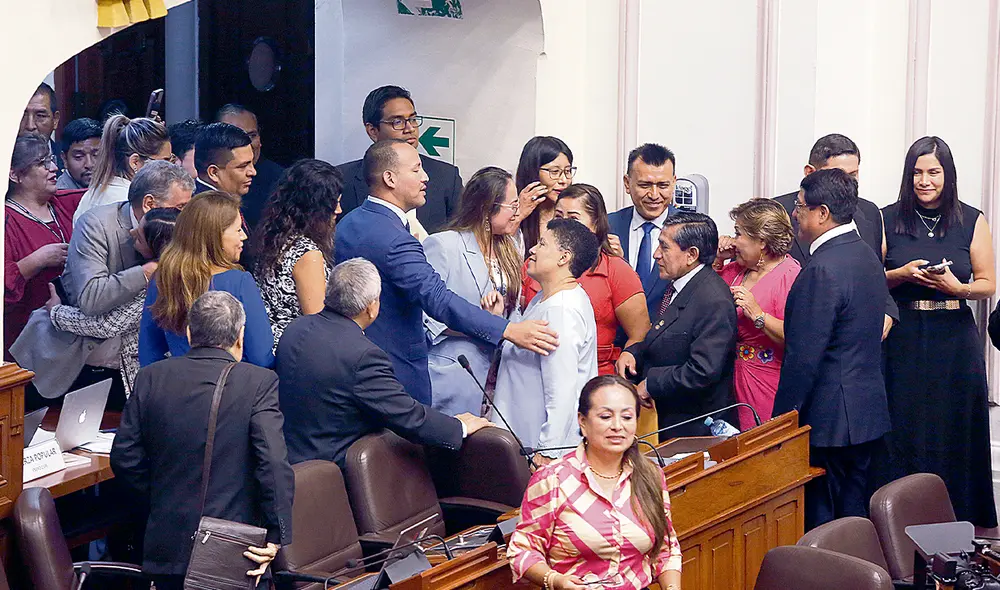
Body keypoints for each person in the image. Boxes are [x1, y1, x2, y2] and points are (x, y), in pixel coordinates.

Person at [335, 139, 559, 406]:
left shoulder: (350, 222)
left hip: (357, 363)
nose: (425, 177)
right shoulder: (396, 238)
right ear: (390, 178)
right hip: (395, 371)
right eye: (416, 169)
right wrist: (507, 329)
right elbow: (437, 298)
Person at [112, 291, 293, 590]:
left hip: (167, 546)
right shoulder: (258, 383)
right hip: (231, 549)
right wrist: (276, 535)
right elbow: (273, 463)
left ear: (189, 332)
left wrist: (161, 500)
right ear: (240, 336)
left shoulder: (150, 377)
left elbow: (124, 457)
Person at [877, 136, 997, 528]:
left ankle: (958, 515)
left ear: (948, 175)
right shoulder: (886, 217)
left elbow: (987, 283)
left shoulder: (972, 218)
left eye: (933, 172)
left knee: (954, 425)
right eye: (916, 173)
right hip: (904, 336)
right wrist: (900, 273)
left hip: (954, 336)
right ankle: (900, 517)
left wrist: (957, 288)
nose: (924, 181)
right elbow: (871, 279)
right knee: (905, 423)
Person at [277, 258, 494, 467]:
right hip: (338, 474)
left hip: (290, 460)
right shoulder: (363, 356)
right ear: (371, 307)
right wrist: (459, 428)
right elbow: (408, 416)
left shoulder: (296, 329)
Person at [772, 168, 890, 530]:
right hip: (866, 415)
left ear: (822, 213)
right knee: (852, 520)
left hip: (829, 422)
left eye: (800, 206)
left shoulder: (822, 269)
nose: (794, 213)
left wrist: (779, 422)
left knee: (822, 526)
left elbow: (803, 357)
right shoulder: (866, 255)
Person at [507, 375, 682, 590]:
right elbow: (522, 549)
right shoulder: (552, 479)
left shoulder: (651, 475)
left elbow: (666, 548)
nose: (618, 426)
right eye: (606, 416)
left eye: (627, 417)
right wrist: (555, 580)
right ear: (582, 421)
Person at [617, 212, 738, 437]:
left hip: (694, 429)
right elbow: (663, 335)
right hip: (667, 421)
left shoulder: (713, 299)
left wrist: (651, 383)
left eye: (664, 247)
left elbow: (703, 370)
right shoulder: (678, 284)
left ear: (691, 255)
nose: (656, 255)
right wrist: (634, 352)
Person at [492, 218, 599, 465]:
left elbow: (562, 389)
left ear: (564, 258)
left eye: (542, 243)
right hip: (522, 438)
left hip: (542, 450)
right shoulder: (545, 297)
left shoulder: (561, 310)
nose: (532, 249)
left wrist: (549, 451)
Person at [773, 133, 898, 339]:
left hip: (857, 349)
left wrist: (889, 312)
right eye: (838, 175)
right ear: (809, 172)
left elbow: (874, 272)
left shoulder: (869, 212)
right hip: (797, 335)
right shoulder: (778, 211)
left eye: (854, 174)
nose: (848, 183)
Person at [423, 167, 524, 416]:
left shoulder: (510, 246)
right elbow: (426, 318)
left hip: (500, 376)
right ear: (488, 208)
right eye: (513, 205)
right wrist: (485, 324)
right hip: (455, 374)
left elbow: (515, 310)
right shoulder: (444, 245)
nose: (518, 212)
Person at [47, 208, 179, 397]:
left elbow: (107, 325)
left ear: (157, 246)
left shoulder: (161, 283)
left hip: (150, 374)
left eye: (140, 236)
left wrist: (56, 312)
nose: (132, 232)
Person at [523, 184, 650, 376]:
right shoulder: (534, 263)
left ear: (596, 224)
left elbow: (639, 332)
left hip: (595, 377)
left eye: (574, 218)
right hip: (533, 370)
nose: (563, 225)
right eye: (558, 217)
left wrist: (628, 354)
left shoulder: (616, 269)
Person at [139, 191, 275, 368]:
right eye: (238, 229)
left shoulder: (163, 278)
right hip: (233, 388)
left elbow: (149, 353)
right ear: (215, 236)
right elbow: (261, 357)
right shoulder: (239, 282)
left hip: (183, 388)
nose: (244, 236)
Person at [712, 199, 800, 430]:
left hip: (766, 381)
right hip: (729, 378)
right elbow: (707, 295)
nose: (733, 240)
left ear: (761, 241)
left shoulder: (791, 277)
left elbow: (798, 337)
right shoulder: (736, 269)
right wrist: (719, 259)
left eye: (738, 233)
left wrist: (758, 315)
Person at [337, 85, 463, 236]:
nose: (409, 128)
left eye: (413, 119)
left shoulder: (447, 176)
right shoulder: (341, 180)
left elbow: (462, 236)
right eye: (397, 122)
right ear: (372, 131)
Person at [251, 160, 342, 352]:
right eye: (334, 203)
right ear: (314, 206)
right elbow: (317, 322)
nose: (338, 211)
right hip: (299, 354)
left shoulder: (271, 237)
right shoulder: (308, 254)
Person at [4, 134, 77, 360]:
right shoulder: (7, 219)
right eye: (42, 163)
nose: (54, 168)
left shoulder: (64, 203)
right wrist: (37, 260)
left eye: (52, 159)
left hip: (71, 337)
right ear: (14, 174)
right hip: (26, 345)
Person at [608, 144, 680, 322]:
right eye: (645, 185)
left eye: (663, 185)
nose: (654, 195)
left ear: (673, 183)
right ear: (627, 183)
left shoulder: (691, 228)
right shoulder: (607, 225)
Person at [74, 115, 172, 222]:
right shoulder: (132, 203)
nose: (171, 170)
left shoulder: (90, 194)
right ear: (135, 162)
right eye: (164, 162)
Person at [217, 104, 285, 230]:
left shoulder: (281, 180)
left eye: (252, 135)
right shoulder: (202, 192)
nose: (246, 143)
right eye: (236, 137)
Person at [516, 136, 575, 253]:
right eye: (554, 172)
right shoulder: (512, 213)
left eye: (567, 171)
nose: (563, 180)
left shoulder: (575, 212)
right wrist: (519, 216)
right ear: (533, 171)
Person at [18, 83, 63, 171]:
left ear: (55, 120)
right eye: (21, 116)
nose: (30, 126)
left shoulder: (68, 161)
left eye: (40, 116)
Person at [57, 118, 102, 190]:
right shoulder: (58, 196)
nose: (89, 164)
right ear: (64, 159)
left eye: (96, 155)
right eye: (79, 157)